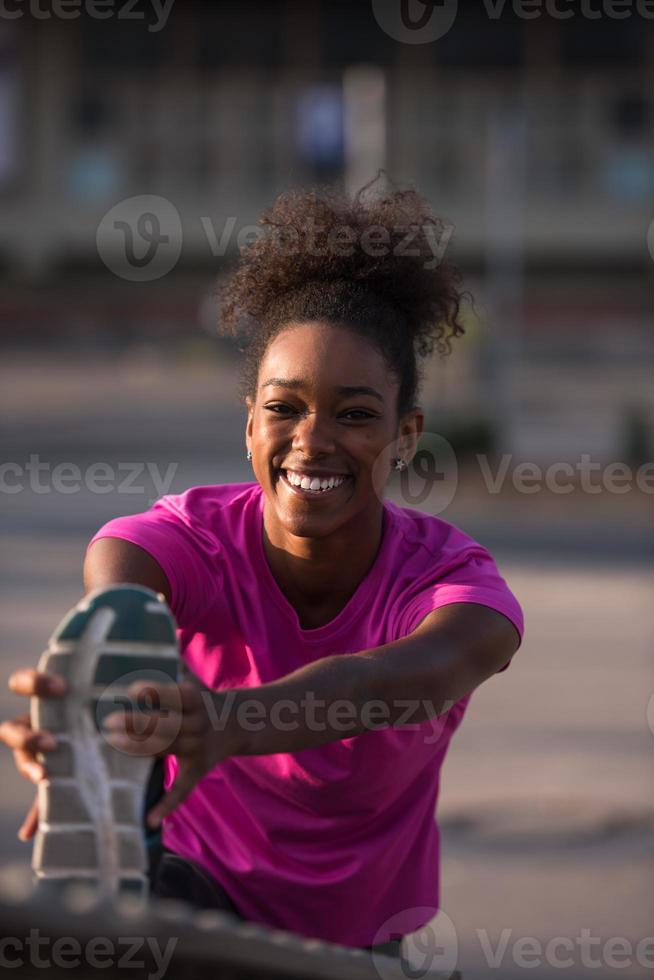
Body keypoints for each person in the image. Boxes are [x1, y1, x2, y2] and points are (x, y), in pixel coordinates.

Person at [1, 179, 524, 964]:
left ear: (406, 433)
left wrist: (227, 723)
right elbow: (121, 565)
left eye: (354, 414)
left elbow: (394, 681)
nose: (312, 441)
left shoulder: (450, 582)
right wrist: (99, 702)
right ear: (250, 424)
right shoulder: (201, 538)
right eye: (285, 408)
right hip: (195, 899)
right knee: (106, 933)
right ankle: (112, 873)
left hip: (362, 943)